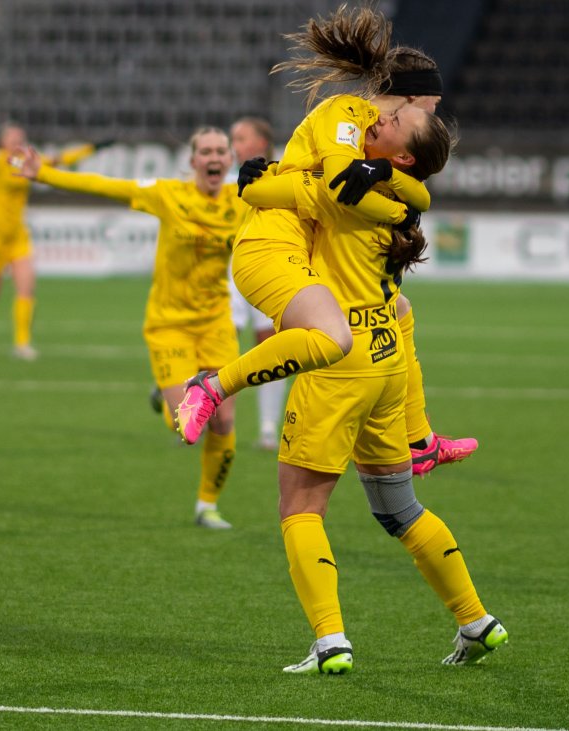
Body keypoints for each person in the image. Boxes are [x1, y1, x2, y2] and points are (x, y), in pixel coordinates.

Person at [239, 141, 507, 674]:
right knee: (400, 510)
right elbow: (403, 306)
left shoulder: (348, 196)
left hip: (338, 364)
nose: (376, 126)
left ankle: (330, 642)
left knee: (300, 507)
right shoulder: (397, 208)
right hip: (385, 359)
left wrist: (254, 178)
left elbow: (282, 191)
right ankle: (476, 620)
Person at [178, 5, 477, 479]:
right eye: (432, 106)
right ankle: (213, 386)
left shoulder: (378, 139)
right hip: (272, 246)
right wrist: (395, 205)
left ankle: (419, 441)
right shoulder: (348, 116)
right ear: (409, 100)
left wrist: (385, 176)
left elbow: (416, 193)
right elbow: (339, 185)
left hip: (305, 245)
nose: (435, 114)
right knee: (335, 338)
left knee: (397, 310)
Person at [14, 127, 246, 530]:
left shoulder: (243, 200)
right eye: (205, 151)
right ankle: (166, 393)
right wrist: (44, 174)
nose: (213, 157)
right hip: (169, 324)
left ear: (230, 159)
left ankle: (207, 506)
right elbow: (106, 186)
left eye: (220, 151)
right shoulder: (168, 194)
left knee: (224, 422)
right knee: (188, 426)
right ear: (193, 161)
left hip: (216, 323)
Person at [0, 112, 106, 359]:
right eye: (12, 136)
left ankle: (22, 344)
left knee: (26, 288)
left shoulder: (25, 162)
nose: (18, 139)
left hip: (17, 235)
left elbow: (60, 159)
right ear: (2, 140)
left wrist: (93, 148)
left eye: (20, 137)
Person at [227, 116, 287, 450]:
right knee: (223, 343)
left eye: (240, 138)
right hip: (228, 274)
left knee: (269, 346)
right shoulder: (225, 180)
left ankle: (267, 427)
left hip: (268, 269)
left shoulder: (281, 176)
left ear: (261, 143)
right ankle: (209, 418)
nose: (233, 145)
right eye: (233, 138)